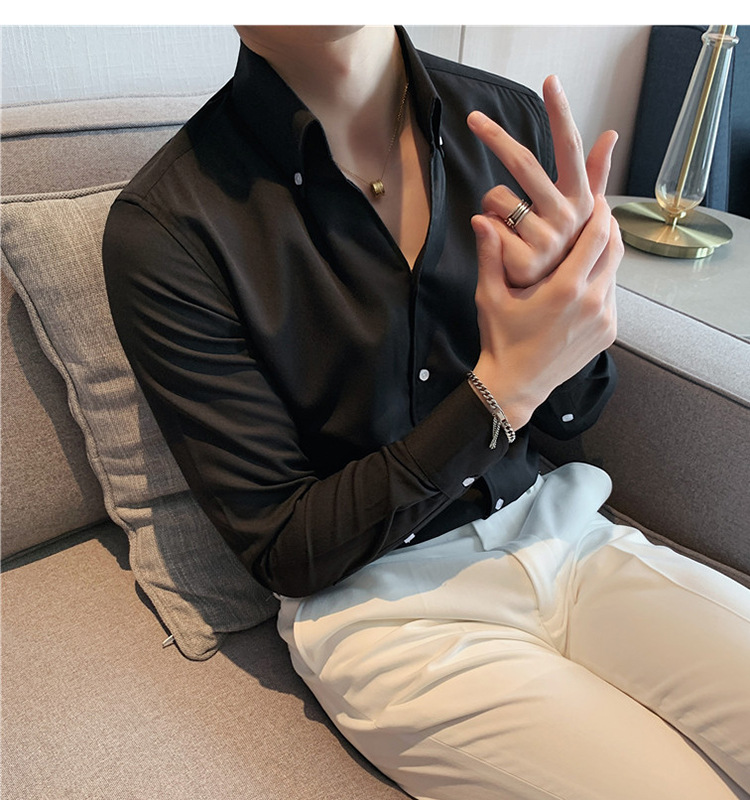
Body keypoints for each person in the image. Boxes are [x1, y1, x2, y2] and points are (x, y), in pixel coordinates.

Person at [102, 25, 750, 800]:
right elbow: (285, 549)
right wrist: (502, 389)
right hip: (387, 613)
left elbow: (571, 417)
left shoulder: (508, 120)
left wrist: (575, 318)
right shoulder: (169, 228)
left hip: (569, 535)